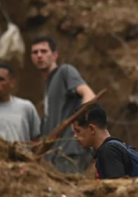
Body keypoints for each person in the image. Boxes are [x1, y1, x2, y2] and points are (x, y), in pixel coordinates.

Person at [31, 36, 95, 173]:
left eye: (44, 51)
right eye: (35, 52)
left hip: (71, 151)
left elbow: (88, 94)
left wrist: (80, 120)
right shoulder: (49, 84)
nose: (39, 55)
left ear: (55, 55)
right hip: (56, 156)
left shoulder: (65, 72)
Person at [0, 63, 41, 142]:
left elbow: (37, 140)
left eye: (0, 79)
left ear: (12, 83)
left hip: (19, 153)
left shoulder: (26, 107)